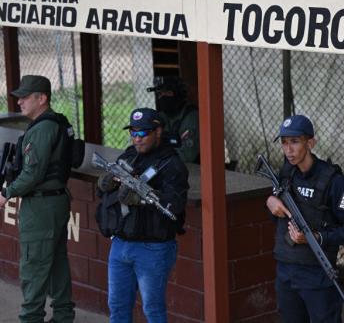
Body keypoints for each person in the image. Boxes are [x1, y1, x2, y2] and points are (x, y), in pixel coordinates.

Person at [266, 114, 344, 323]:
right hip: (286, 272)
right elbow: (276, 208)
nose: (288, 149)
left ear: (310, 142)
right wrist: (269, 202)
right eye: (284, 143)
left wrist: (318, 237)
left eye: (295, 142)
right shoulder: (286, 173)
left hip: (317, 275)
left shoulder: (335, 182)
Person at [95, 108, 189, 323]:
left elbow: (175, 204)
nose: (137, 139)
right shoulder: (129, 155)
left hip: (152, 247)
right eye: (133, 133)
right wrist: (105, 183)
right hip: (120, 243)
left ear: (158, 131)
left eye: (143, 133)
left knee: (153, 311)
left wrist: (143, 198)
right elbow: (105, 189)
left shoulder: (171, 164)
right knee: (117, 307)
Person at [0, 75, 76, 323]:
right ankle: (63, 316)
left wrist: (6, 193)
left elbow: (32, 174)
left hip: (42, 205)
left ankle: (30, 319)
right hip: (53, 201)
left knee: (33, 265)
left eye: (25, 96)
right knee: (56, 263)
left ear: (41, 98)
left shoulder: (43, 128)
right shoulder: (54, 123)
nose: (19, 101)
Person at [147, 76, 200, 164]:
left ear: (178, 94)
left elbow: (187, 155)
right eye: (160, 94)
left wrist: (156, 156)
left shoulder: (191, 116)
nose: (163, 97)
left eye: (168, 93)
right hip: (166, 164)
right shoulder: (161, 116)